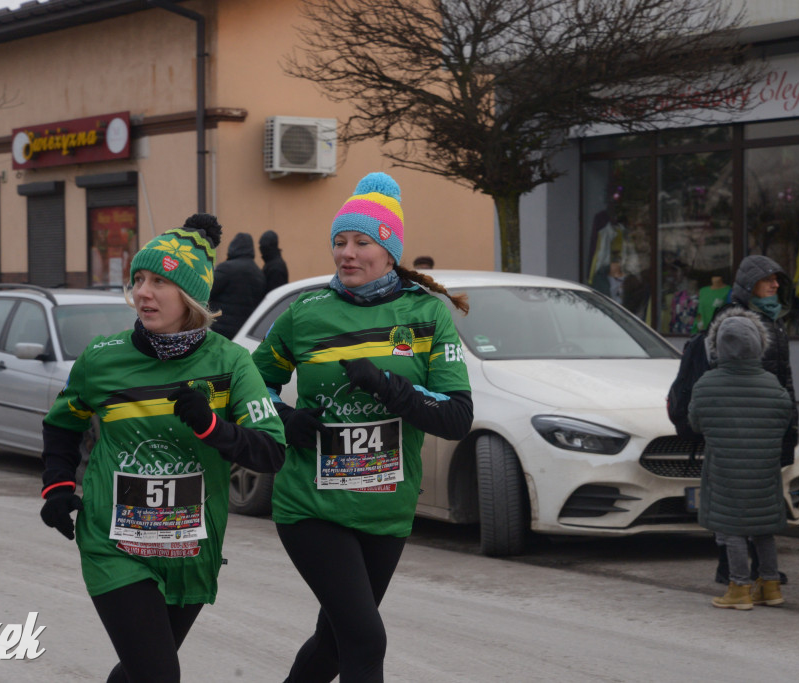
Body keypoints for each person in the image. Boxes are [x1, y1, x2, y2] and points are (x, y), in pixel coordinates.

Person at [38, 214, 286, 683]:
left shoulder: (230, 363)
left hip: (190, 548)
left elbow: (271, 452)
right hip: (114, 545)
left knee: (139, 672)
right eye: (139, 279)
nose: (143, 292)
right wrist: (57, 486)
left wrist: (212, 426)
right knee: (157, 675)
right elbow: (61, 426)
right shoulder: (102, 358)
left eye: (160, 281)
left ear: (190, 296)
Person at [251, 172, 473, 682]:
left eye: (361, 242)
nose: (346, 253)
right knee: (366, 640)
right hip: (311, 504)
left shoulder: (425, 317)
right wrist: (285, 420)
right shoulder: (304, 314)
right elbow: (250, 392)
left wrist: (388, 386)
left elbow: (457, 416)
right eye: (339, 241)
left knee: (334, 643)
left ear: (390, 251)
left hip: (386, 506)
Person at [689, 309, 794, 609]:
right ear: (759, 345)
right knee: (763, 530)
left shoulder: (707, 384)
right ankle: (770, 586)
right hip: (764, 470)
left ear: (718, 346)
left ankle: (739, 588)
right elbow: (784, 420)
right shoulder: (772, 385)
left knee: (731, 528)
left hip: (724, 469)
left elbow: (696, 423)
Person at [711, 254, 799, 585]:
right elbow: (721, 376)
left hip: (768, 422)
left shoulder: (773, 319)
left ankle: (764, 571)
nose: (776, 285)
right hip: (740, 425)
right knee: (734, 503)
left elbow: (785, 378)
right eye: (768, 280)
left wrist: (790, 426)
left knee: (760, 498)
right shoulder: (734, 321)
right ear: (750, 286)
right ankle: (731, 569)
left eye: (778, 280)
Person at [209, 231, 266, 339]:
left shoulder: (226, 268)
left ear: (233, 247)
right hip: (244, 332)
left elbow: (207, 291)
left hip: (220, 328)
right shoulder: (258, 273)